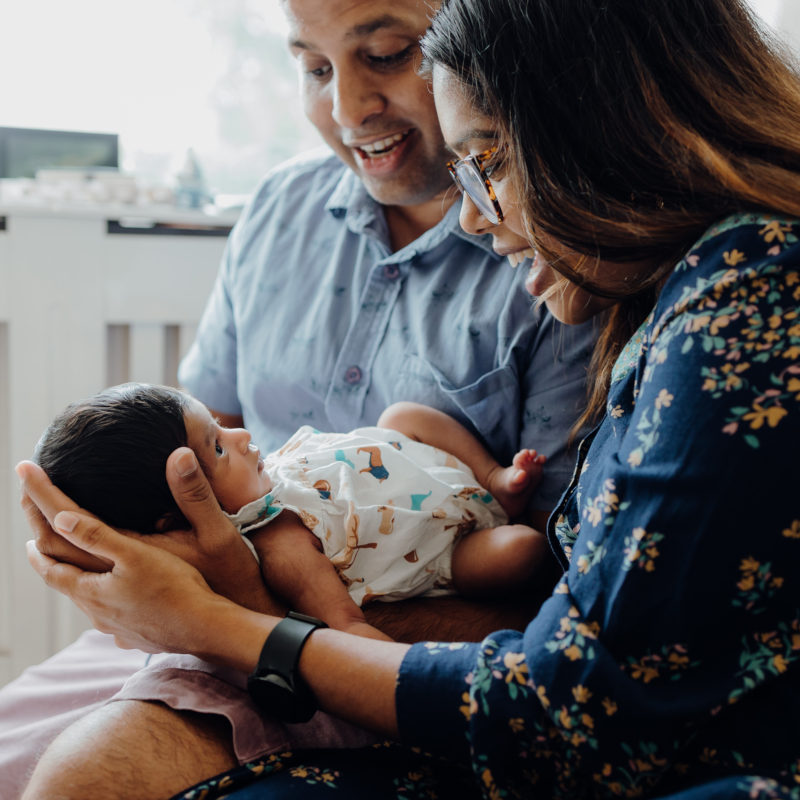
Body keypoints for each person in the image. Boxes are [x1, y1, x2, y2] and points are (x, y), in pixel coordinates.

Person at [20, 0, 800, 797]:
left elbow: (564, 695)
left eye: (487, 159)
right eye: (314, 68)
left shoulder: (747, 300)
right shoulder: (664, 300)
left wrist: (223, 622)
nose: (471, 213)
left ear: (604, 123)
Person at [36, 384, 549, 635]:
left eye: (219, 427)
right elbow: (345, 625)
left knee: (402, 414)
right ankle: (497, 511)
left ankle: (492, 479)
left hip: (431, 465)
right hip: (448, 546)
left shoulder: (264, 475)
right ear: (182, 515)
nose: (239, 436)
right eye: (217, 449)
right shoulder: (281, 542)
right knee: (521, 550)